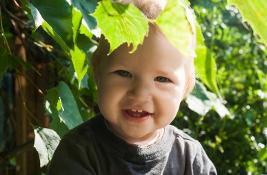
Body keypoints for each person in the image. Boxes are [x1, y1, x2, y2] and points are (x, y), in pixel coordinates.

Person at [48, 0, 217, 174]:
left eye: (161, 79)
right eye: (124, 73)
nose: (140, 93)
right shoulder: (79, 151)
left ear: (186, 87)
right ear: (97, 74)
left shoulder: (191, 158)